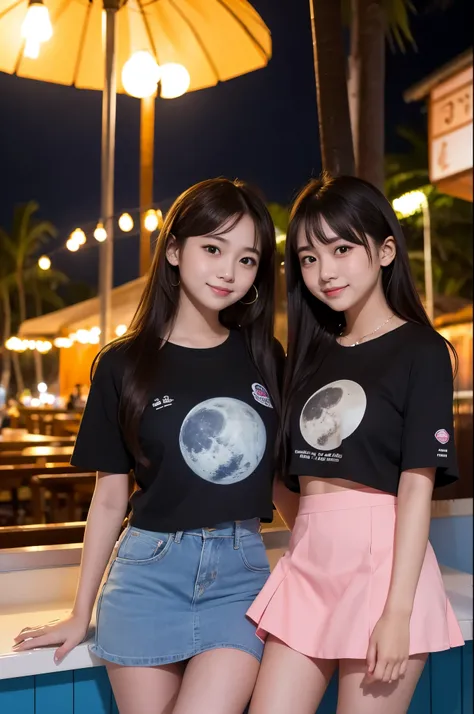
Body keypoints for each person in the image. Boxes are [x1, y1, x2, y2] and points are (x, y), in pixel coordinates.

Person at [13, 178, 284, 714]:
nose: (229, 271)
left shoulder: (266, 357)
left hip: (241, 579)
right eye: (213, 248)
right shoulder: (122, 364)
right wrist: (78, 610)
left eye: (248, 258)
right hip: (145, 578)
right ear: (176, 250)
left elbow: (280, 476)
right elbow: (110, 499)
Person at [247, 174, 464, 714]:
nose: (326, 271)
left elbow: (417, 487)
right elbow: (286, 475)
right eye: (309, 257)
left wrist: (397, 611)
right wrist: (310, 540)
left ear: (386, 250)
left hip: (384, 568)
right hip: (308, 563)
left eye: (342, 249)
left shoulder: (423, 351)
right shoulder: (309, 354)